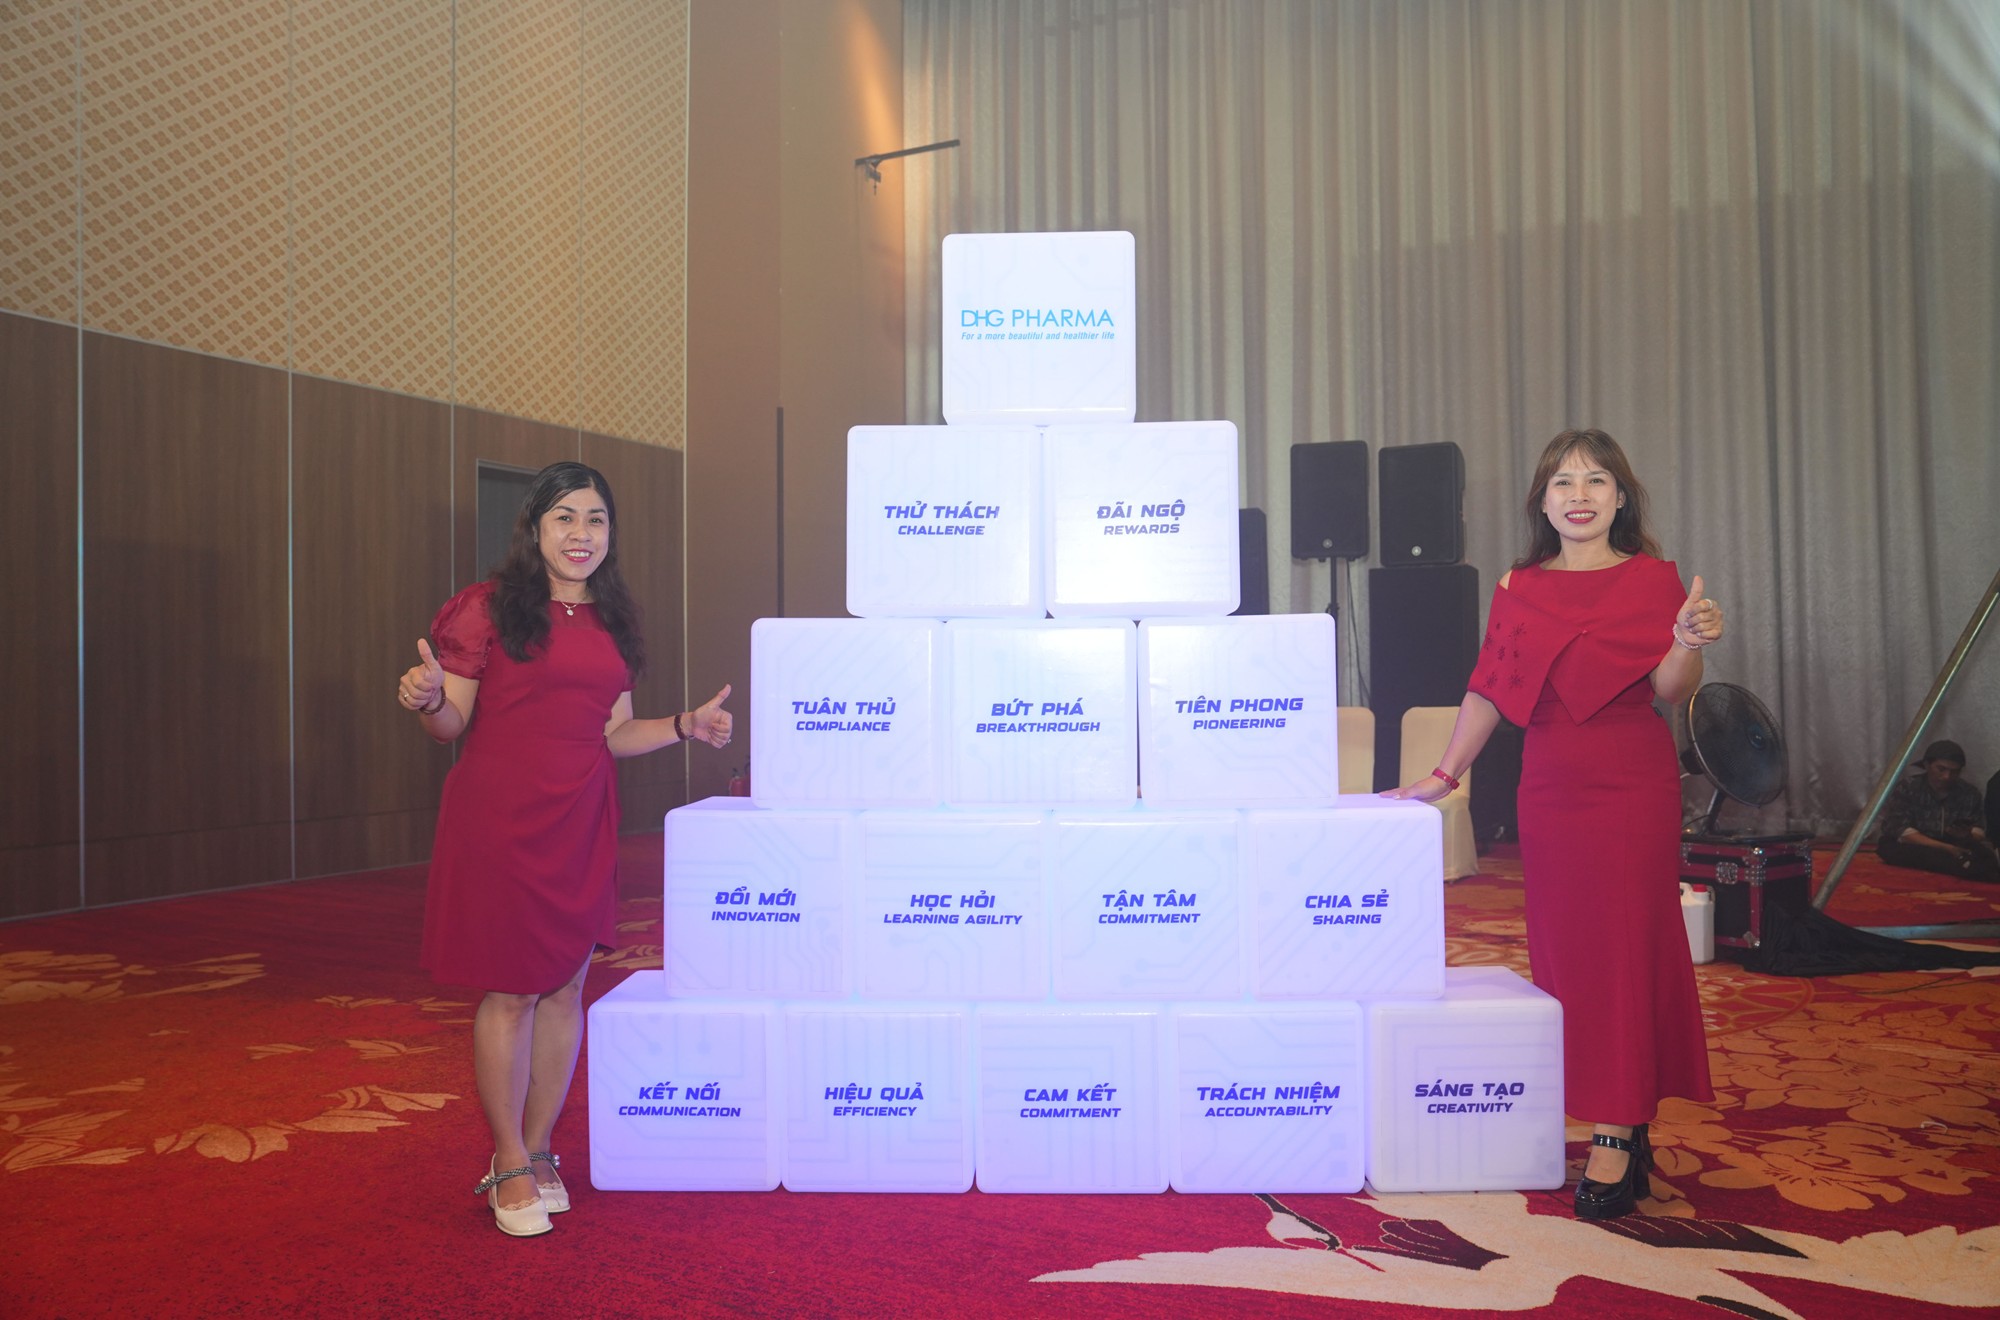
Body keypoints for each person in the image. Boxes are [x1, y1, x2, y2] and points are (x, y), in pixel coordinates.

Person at [1384, 428, 1721, 1221]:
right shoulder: (1520, 586)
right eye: (1563, 481)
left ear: (1621, 497)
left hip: (1631, 782)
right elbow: (1489, 688)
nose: (1580, 494)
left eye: (1597, 480)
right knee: (1570, 952)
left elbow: (1674, 688)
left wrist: (1685, 642)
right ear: (1542, 502)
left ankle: (1615, 1124)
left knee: (1628, 947)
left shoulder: (1655, 580)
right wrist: (1443, 776)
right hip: (1551, 785)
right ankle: (1624, 1111)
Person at [396, 461, 734, 1237]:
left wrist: (684, 725)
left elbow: (614, 731)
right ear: (536, 528)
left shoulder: (612, 617)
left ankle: (542, 1144)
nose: (582, 535)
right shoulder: (487, 608)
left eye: (596, 519)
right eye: (565, 518)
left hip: (581, 819)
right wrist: (428, 699)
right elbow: (450, 725)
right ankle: (508, 1158)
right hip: (500, 821)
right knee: (512, 989)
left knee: (564, 988)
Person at [1875, 739, 2000, 883]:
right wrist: (1947, 849)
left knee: (1983, 856)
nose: (1947, 776)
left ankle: (1964, 866)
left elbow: (1979, 829)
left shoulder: (1969, 793)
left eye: (1954, 771)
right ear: (1927, 765)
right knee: (1891, 849)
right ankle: (1964, 867)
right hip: (1918, 845)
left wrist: (1966, 836)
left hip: (1955, 846)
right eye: (1941, 769)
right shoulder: (1908, 787)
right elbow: (1900, 830)